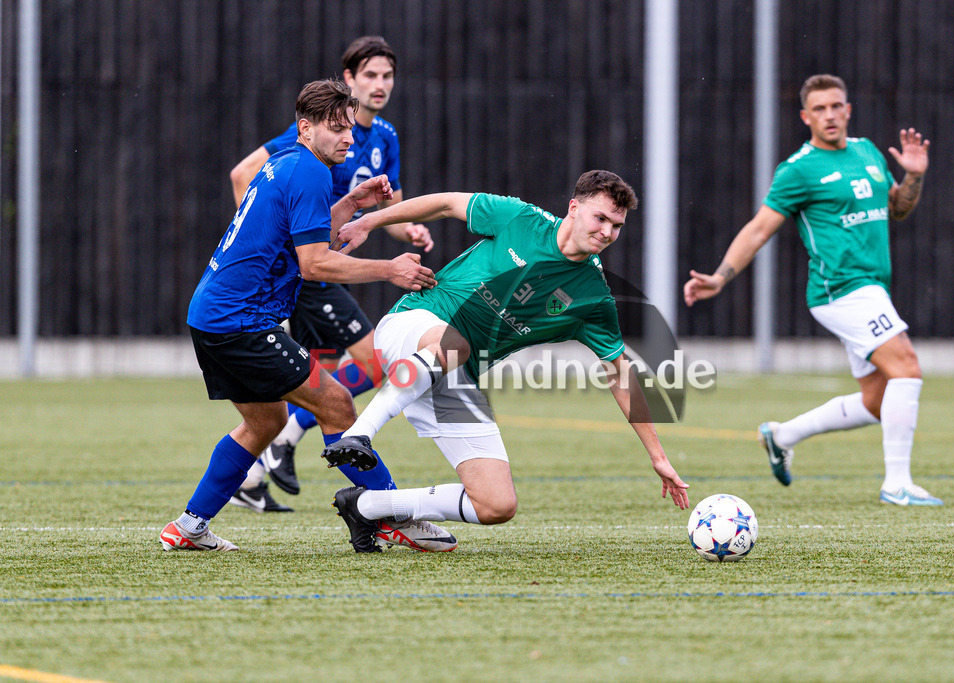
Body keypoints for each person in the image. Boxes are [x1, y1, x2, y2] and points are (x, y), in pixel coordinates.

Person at [319, 170, 691, 553]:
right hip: (412, 323)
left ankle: (366, 506)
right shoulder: (520, 218)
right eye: (601, 218)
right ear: (574, 208)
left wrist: (658, 457)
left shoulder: (594, 298)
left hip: (455, 373)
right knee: (454, 344)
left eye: (617, 226)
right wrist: (367, 222)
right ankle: (359, 435)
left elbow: (620, 375)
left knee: (497, 504)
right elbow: (446, 203)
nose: (607, 233)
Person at [159, 78, 440, 552]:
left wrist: (350, 204)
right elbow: (314, 263)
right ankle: (391, 513)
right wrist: (389, 269)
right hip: (240, 322)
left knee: (265, 423)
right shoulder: (308, 170)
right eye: (335, 128)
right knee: (337, 405)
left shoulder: (289, 163)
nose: (348, 138)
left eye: (349, 128)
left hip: (212, 316)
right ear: (304, 128)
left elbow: (303, 237)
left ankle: (188, 528)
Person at [683, 74, 941, 506]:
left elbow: (895, 209)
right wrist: (720, 276)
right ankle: (897, 483)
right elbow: (758, 229)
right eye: (818, 109)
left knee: (877, 401)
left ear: (848, 110)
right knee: (907, 368)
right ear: (806, 117)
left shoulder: (867, 152)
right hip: (840, 289)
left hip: (872, 288)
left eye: (835, 106)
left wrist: (913, 176)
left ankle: (782, 435)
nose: (829, 115)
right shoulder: (798, 170)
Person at [227, 37, 435, 525]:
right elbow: (244, 175)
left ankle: (254, 475)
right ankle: (286, 443)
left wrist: (409, 226)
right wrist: (266, 241)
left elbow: (390, 204)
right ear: (349, 80)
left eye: (387, 76)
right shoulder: (318, 135)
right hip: (314, 267)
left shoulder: (385, 136)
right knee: (369, 363)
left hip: (324, 263)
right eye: (369, 76)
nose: (379, 85)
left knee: (315, 372)